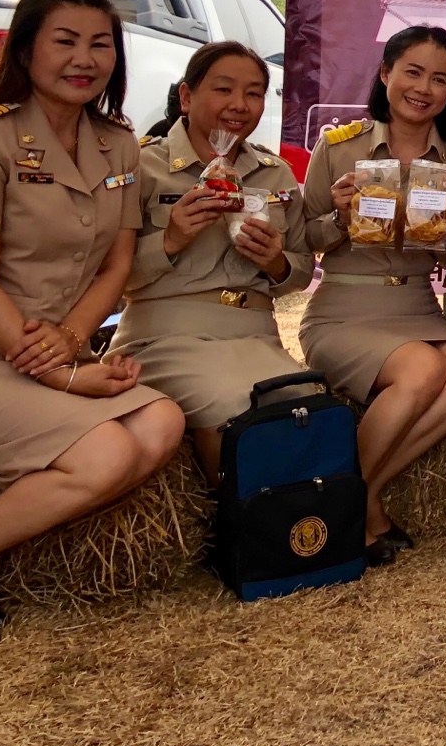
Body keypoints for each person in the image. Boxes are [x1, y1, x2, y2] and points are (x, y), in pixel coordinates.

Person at [0, 0, 185, 649]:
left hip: (53, 355)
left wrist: (75, 345)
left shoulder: (118, 144)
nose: (85, 58)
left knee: (163, 419)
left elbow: (116, 264)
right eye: (65, 41)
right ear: (24, 51)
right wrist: (65, 379)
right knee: (106, 453)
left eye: (101, 44)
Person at [300, 27, 446, 566]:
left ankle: (356, 495)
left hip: (418, 308)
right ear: (385, 74)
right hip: (343, 310)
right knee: (424, 370)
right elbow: (300, 242)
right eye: (412, 72)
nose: (423, 88)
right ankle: (348, 506)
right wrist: (338, 216)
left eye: (440, 79)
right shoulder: (339, 149)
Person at [110, 42, 312, 483]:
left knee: (310, 406)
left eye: (255, 93)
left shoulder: (274, 174)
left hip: (254, 335)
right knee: (234, 409)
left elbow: (299, 272)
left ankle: (295, 532)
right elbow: (109, 274)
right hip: (167, 337)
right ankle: (233, 533)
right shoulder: (144, 166)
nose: (240, 105)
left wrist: (276, 262)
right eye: (224, 89)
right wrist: (170, 238)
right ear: (186, 97)